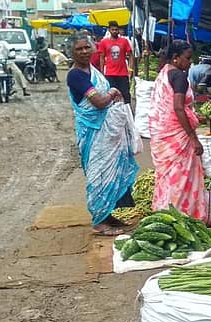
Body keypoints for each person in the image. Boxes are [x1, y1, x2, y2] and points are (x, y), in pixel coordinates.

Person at [66, 35, 141, 235]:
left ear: (93, 49)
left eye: (86, 47)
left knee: (112, 172)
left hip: (106, 133)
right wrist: (113, 91)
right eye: (79, 49)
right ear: (72, 52)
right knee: (98, 175)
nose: (83, 52)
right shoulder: (75, 75)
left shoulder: (92, 71)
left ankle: (108, 215)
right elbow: (98, 102)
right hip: (92, 133)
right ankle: (99, 222)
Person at [149, 41, 209, 222]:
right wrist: (193, 138)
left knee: (168, 178)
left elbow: (176, 107)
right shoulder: (179, 77)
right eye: (188, 58)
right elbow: (178, 108)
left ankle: (164, 216)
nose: (191, 62)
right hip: (177, 136)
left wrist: (194, 115)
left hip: (164, 133)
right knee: (180, 179)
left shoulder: (165, 73)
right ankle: (180, 219)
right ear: (176, 58)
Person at [98, 21, 134, 105]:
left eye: (116, 29)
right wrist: (102, 71)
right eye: (113, 29)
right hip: (110, 73)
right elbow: (102, 57)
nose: (114, 31)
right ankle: (113, 114)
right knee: (111, 95)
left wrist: (131, 69)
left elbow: (131, 55)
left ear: (119, 30)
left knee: (126, 95)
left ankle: (128, 113)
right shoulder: (104, 42)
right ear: (109, 30)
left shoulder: (124, 41)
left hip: (123, 73)